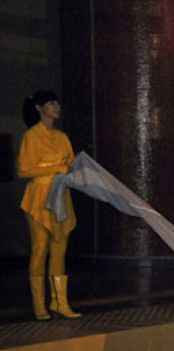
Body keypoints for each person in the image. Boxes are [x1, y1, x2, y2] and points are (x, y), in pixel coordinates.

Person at [16, 90, 81, 320]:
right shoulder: (31, 136)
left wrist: (75, 173)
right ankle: (39, 304)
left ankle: (60, 302)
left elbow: (71, 165)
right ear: (39, 108)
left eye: (57, 103)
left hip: (61, 196)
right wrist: (54, 169)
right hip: (39, 196)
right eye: (51, 103)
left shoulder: (62, 137)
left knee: (59, 248)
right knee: (40, 248)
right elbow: (24, 170)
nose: (56, 107)